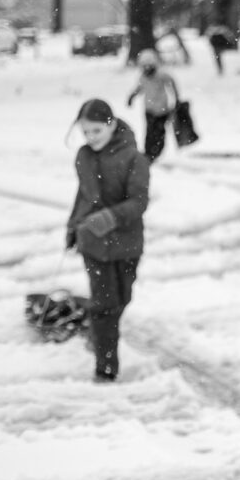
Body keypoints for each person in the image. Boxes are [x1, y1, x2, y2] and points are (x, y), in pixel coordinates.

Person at [65, 99, 151, 383]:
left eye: (96, 131)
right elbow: (84, 193)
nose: (90, 138)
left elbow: (138, 202)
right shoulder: (84, 156)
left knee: (121, 299)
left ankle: (97, 331)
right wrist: (73, 225)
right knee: (105, 306)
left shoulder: (134, 159)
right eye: (85, 132)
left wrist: (109, 218)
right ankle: (106, 367)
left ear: (112, 125)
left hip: (127, 244)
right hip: (93, 244)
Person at [126, 49, 180, 163]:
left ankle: (157, 151)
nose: (147, 69)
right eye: (144, 67)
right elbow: (139, 88)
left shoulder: (161, 75)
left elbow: (172, 83)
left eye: (149, 66)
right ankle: (148, 152)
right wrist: (132, 97)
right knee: (149, 132)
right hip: (149, 109)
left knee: (159, 132)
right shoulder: (143, 77)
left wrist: (177, 98)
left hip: (162, 110)